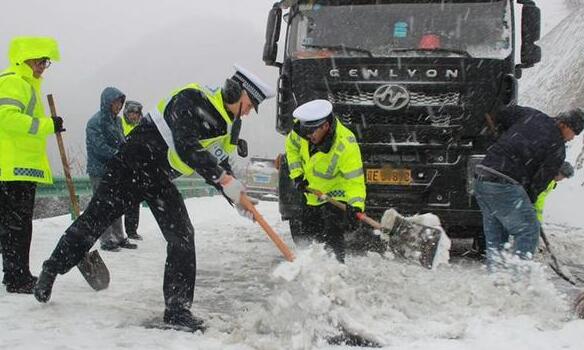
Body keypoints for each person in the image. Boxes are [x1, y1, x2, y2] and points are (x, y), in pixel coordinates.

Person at [34, 65, 275, 332]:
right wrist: (223, 179)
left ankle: (177, 310)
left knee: (182, 234)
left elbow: (220, 163)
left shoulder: (231, 126)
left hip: (160, 177)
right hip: (132, 164)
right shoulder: (192, 97)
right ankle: (51, 268)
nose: (249, 111)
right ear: (235, 91)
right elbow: (186, 147)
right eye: (249, 104)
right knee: (94, 221)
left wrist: (238, 199)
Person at [473, 106, 584, 271]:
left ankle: (497, 281)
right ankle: (521, 281)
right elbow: (539, 183)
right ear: (565, 125)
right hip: (505, 182)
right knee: (529, 230)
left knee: (497, 238)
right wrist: (529, 202)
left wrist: (503, 136)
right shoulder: (557, 148)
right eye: (574, 133)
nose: (572, 138)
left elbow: (503, 113)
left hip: (483, 177)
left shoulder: (532, 115)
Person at [0, 37, 62, 294]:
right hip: (12, 167)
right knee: (16, 226)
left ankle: (17, 274)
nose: (43, 66)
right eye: (40, 61)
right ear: (26, 58)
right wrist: (49, 125)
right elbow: (7, 118)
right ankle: (16, 277)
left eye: (46, 62)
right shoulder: (14, 81)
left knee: (18, 225)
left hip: (22, 167)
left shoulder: (28, 84)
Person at [285, 99, 366, 263]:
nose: (308, 136)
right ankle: (312, 268)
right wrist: (297, 175)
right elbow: (291, 146)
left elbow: (355, 180)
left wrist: (355, 206)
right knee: (309, 231)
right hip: (312, 192)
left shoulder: (346, 143)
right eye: (305, 131)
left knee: (333, 233)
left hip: (336, 194)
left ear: (325, 126)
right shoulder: (302, 130)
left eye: (312, 132)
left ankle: (337, 269)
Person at [85, 87, 137, 251]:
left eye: (121, 102)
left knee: (115, 204)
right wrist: (117, 155)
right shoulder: (95, 122)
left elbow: (121, 141)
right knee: (102, 205)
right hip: (99, 170)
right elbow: (99, 147)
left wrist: (127, 153)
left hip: (115, 169)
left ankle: (120, 236)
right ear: (107, 102)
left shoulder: (117, 121)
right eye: (116, 102)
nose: (119, 106)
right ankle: (106, 240)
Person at [120, 100, 143, 240]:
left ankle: (132, 230)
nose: (133, 116)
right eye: (131, 113)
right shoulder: (119, 125)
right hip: (121, 166)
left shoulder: (143, 126)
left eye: (136, 113)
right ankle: (114, 235)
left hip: (137, 168)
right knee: (117, 201)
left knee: (133, 201)